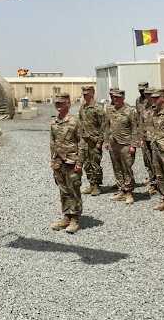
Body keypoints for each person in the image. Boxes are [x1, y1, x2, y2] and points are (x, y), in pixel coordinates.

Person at [50, 93, 84, 234]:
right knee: (63, 190)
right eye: (56, 103)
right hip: (59, 162)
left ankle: (75, 219)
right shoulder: (54, 123)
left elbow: (82, 143)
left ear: (67, 104)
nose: (58, 105)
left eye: (61, 103)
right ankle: (66, 216)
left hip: (72, 161)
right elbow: (52, 142)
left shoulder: (74, 121)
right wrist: (53, 160)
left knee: (73, 190)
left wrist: (80, 161)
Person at [104, 90, 138, 204]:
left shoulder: (129, 111)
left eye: (118, 97)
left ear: (123, 97)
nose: (116, 99)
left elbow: (135, 129)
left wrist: (134, 145)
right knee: (117, 167)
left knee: (126, 168)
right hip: (114, 143)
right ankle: (121, 190)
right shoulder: (110, 110)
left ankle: (129, 193)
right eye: (114, 97)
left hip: (125, 144)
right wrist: (106, 140)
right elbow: (107, 126)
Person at [78, 85, 105, 196]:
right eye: (83, 94)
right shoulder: (83, 107)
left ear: (92, 93)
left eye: (86, 94)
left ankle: (96, 186)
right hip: (84, 140)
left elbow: (103, 126)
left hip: (94, 140)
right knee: (87, 164)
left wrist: (100, 141)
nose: (84, 95)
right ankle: (91, 184)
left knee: (95, 163)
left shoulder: (98, 109)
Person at [140, 88, 158, 196]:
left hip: (156, 140)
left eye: (149, 94)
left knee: (157, 163)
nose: (147, 96)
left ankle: (161, 185)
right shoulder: (144, 108)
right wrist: (140, 139)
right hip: (146, 139)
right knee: (149, 162)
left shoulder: (157, 108)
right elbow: (141, 124)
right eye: (146, 94)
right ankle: (153, 184)